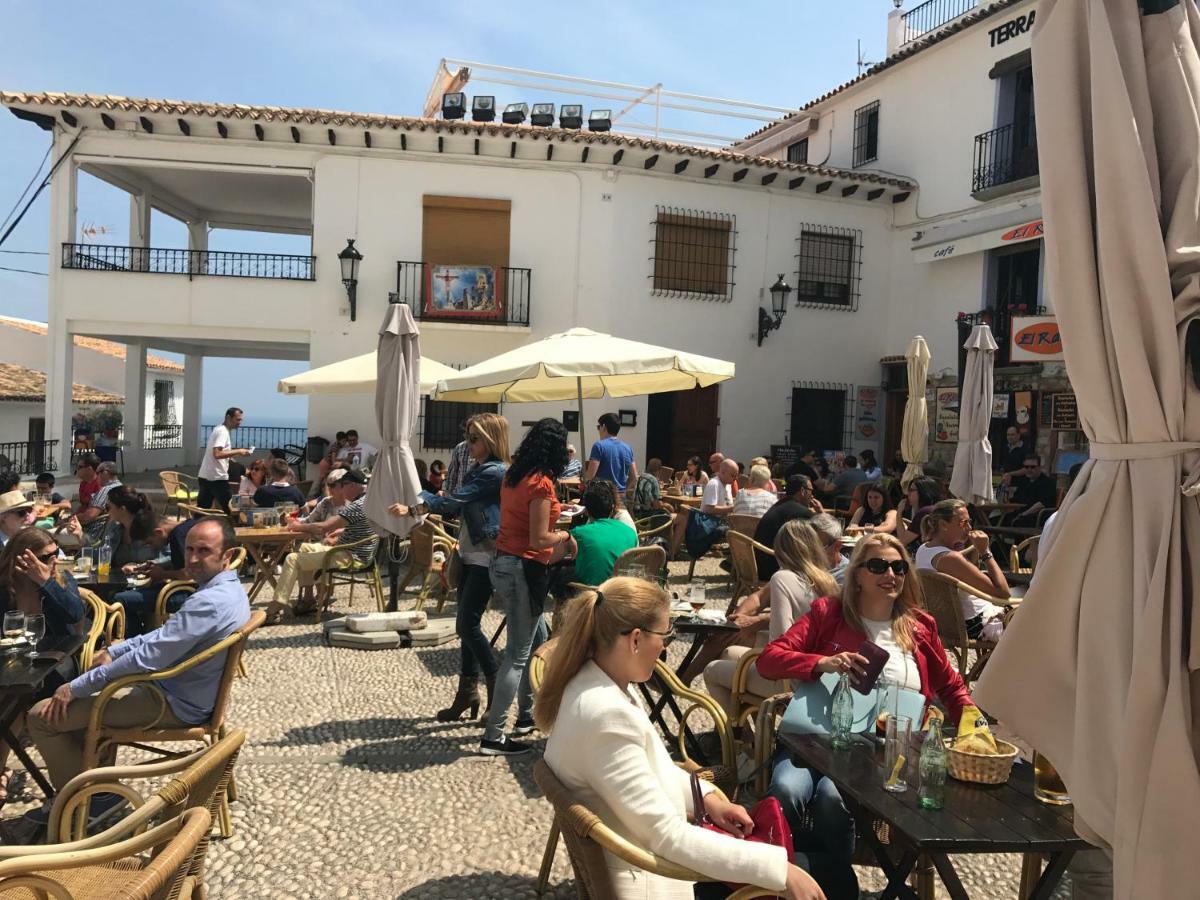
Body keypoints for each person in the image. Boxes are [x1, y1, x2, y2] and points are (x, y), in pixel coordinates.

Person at [536, 578, 819, 900]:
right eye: (666, 634)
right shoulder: (605, 714)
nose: (668, 645)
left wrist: (708, 799)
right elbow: (667, 837)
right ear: (636, 640)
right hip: (655, 878)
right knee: (826, 872)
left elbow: (652, 769)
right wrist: (779, 871)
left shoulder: (596, 684)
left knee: (813, 864)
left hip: (651, 859)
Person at [757, 534, 976, 900]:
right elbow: (769, 659)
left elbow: (953, 688)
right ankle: (779, 877)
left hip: (884, 753)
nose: (890, 574)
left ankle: (833, 885)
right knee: (787, 789)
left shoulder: (919, 626)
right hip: (815, 737)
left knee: (832, 797)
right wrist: (820, 663)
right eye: (878, 566)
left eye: (898, 567)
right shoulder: (829, 614)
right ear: (856, 573)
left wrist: (977, 729)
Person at [28, 517, 251, 794]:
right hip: (184, 691)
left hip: (172, 702)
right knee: (77, 709)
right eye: (190, 549)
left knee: (41, 716)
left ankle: (84, 801)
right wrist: (114, 650)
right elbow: (163, 636)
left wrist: (74, 687)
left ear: (227, 555)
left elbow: (149, 657)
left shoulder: (209, 603)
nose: (192, 558)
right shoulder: (228, 589)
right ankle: (97, 787)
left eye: (203, 551)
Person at [389, 413, 509, 722]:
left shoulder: (494, 472)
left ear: (492, 439)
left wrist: (416, 501)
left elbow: (454, 501)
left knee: (465, 626)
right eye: (468, 437)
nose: (468, 445)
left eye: (474, 439)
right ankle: (467, 693)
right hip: (470, 553)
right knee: (469, 628)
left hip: (485, 557)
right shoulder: (483, 469)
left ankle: (495, 680)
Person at [479, 417, 574, 756]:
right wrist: (567, 535)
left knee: (537, 638)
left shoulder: (513, 475)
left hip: (503, 562)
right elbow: (540, 538)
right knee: (518, 655)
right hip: (524, 568)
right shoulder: (541, 485)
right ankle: (494, 735)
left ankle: (527, 716)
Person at [703, 520, 838, 718]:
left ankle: (743, 741)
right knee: (730, 652)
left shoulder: (782, 578)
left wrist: (757, 625)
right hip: (821, 676)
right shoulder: (827, 581)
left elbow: (780, 641)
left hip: (790, 681)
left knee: (711, 671)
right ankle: (758, 738)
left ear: (780, 550)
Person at [0, 528, 87, 805]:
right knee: (7, 701)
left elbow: (75, 613)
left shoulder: (60, 579)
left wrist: (46, 582)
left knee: (12, 700)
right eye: (44, 556)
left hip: (55, 662)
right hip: (13, 661)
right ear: (20, 560)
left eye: (55, 553)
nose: (52, 560)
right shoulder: (5, 587)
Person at [267, 470, 377, 621]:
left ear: (350, 485)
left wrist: (297, 527)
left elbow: (322, 528)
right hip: (354, 551)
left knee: (293, 558)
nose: (339, 489)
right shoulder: (369, 501)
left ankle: (274, 609)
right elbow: (364, 527)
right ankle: (308, 599)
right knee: (305, 548)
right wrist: (341, 532)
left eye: (341, 485)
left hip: (350, 556)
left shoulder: (356, 506)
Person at [915, 499, 1010, 642]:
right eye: (963, 523)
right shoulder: (950, 558)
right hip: (978, 623)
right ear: (943, 525)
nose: (970, 527)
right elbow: (1003, 593)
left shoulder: (923, 549)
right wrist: (985, 552)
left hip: (950, 624)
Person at [115, 516, 200, 637]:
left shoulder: (177, 536)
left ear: (158, 532)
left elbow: (188, 574)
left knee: (120, 598)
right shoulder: (187, 526)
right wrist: (154, 565)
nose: (152, 547)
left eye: (150, 542)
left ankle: (134, 641)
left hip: (187, 593)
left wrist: (162, 574)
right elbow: (181, 562)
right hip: (190, 589)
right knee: (136, 593)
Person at [751, 476, 823, 579]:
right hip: (775, 570)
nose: (812, 495)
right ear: (802, 491)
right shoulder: (801, 512)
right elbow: (825, 533)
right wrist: (821, 512)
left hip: (760, 564)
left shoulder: (780, 505)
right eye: (811, 490)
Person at [570, 481, 638, 586]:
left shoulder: (582, 531)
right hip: (623, 584)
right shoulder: (627, 530)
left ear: (587, 510)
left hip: (596, 589)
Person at [667, 458, 737, 560]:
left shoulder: (728, 485)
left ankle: (735, 562)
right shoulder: (714, 484)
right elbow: (709, 509)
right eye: (733, 475)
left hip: (722, 520)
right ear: (722, 472)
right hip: (710, 522)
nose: (735, 478)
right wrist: (731, 509)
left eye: (736, 475)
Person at [197, 408, 252, 511]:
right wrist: (239, 451)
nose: (239, 423)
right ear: (228, 418)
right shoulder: (223, 432)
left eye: (241, 420)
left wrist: (232, 457)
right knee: (231, 510)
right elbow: (217, 453)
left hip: (205, 476)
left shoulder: (218, 429)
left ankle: (193, 525)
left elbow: (220, 453)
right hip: (217, 478)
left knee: (202, 511)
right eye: (237, 419)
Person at [101, 487, 159, 573]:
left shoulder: (149, 528)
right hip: (117, 581)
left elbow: (169, 557)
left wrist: (139, 567)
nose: (107, 512)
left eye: (108, 507)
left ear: (122, 509)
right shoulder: (113, 528)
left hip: (147, 582)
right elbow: (102, 557)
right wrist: (81, 537)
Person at [586, 413, 638, 496]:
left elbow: (590, 476)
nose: (598, 430)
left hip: (602, 496)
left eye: (598, 427)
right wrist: (622, 491)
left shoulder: (599, 446)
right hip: (620, 498)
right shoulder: (628, 448)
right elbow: (634, 477)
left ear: (603, 427)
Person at [1004, 455, 1057, 524]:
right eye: (1026, 467)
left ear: (1040, 468)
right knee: (993, 521)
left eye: (1032, 467)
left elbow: (1041, 505)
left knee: (1012, 522)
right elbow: (1015, 500)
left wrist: (1023, 514)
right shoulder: (1024, 481)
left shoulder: (1047, 483)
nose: (1029, 469)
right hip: (1020, 514)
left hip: (1036, 518)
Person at [894, 476, 940, 553]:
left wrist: (899, 513)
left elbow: (902, 541)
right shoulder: (935, 509)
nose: (908, 494)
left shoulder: (924, 512)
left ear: (923, 491)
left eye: (911, 490)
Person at [629, 457, 669, 522]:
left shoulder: (640, 476)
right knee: (678, 517)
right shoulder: (653, 480)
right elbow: (656, 506)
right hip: (647, 516)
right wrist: (666, 505)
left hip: (635, 513)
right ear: (659, 470)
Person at [444, 421, 475, 496]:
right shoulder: (460, 448)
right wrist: (448, 494)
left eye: (472, 435)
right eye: (466, 433)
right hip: (458, 496)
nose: (467, 436)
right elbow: (453, 474)